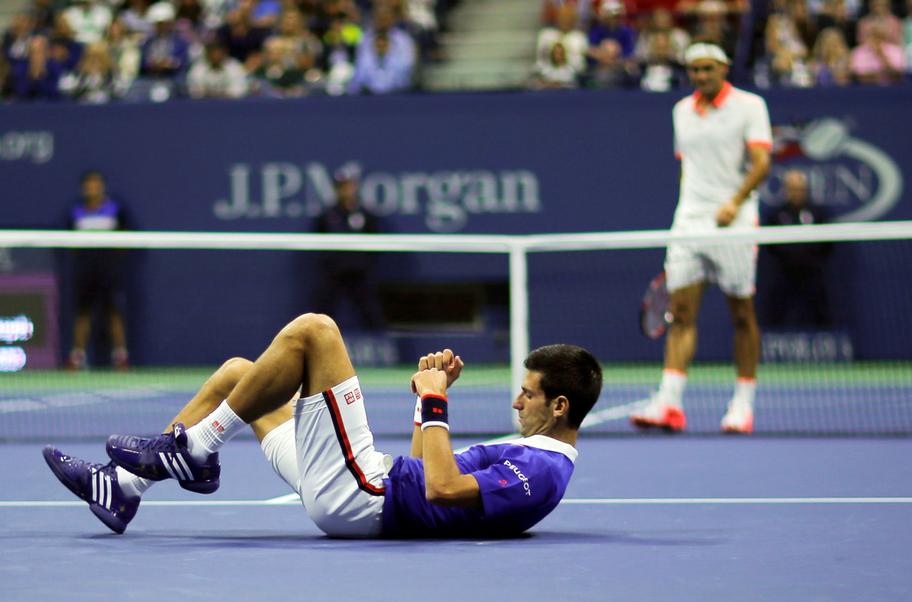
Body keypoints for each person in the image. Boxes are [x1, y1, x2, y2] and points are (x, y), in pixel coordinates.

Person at [42, 312, 604, 538]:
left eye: (527, 395)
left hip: (363, 496)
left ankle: (196, 449)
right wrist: (427, 403)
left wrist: (438, 404)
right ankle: (124, 488)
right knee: (240, 377)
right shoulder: (531, 453)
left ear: (559, 407)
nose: (515, 403)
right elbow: (426, 469)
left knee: (316, 330)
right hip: (367, 484)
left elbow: (441, 488)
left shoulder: (543, 469)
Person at [629, 41, 772, 434]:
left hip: (735, 222)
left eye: (708, 69)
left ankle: (742, 404)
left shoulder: (750, 106)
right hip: (689, 223)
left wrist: (734, 203)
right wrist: (688, 208)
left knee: (742, 314)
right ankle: (670, 403)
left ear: (724, 68)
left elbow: (762, 163)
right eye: (695, 70)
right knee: (683, 314)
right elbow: (686, 168)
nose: (701, 76)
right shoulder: (681, 112)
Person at [65, 170, 131, 370]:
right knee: (83, 313)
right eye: (89, 185)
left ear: (101, 186)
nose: (92, 188)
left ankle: (121, 357)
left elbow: (125, 238)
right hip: (85, 270)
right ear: (84, 188)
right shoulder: (76, 212)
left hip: (108, 270)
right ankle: (77, 357)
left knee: (114, 313)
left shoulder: (115, 209)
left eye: (95, 184)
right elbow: (69, 241)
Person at [311, 166, 385, 331]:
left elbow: (376, 242)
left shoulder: (365, 214)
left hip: (360, 272)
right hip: (334, 272)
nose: (346, 190)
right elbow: (317, 241)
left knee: (371, 312)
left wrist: (363, 261)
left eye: (349, 185)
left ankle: (384, 348)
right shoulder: (327, 215)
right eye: (342, 186)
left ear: (355, 186)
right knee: (322, 312)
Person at [760, 169, 832, 329]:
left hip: (812, 270)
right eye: (793, 189)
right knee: (775, 308)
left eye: (800, 189)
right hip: (784, 271)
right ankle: (771, 343)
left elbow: (828, 243)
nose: (797, 193)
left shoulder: (817, 213)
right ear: (786, 190)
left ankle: (828, 340)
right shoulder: (777, 214)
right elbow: (770, 244)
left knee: (821, 307)